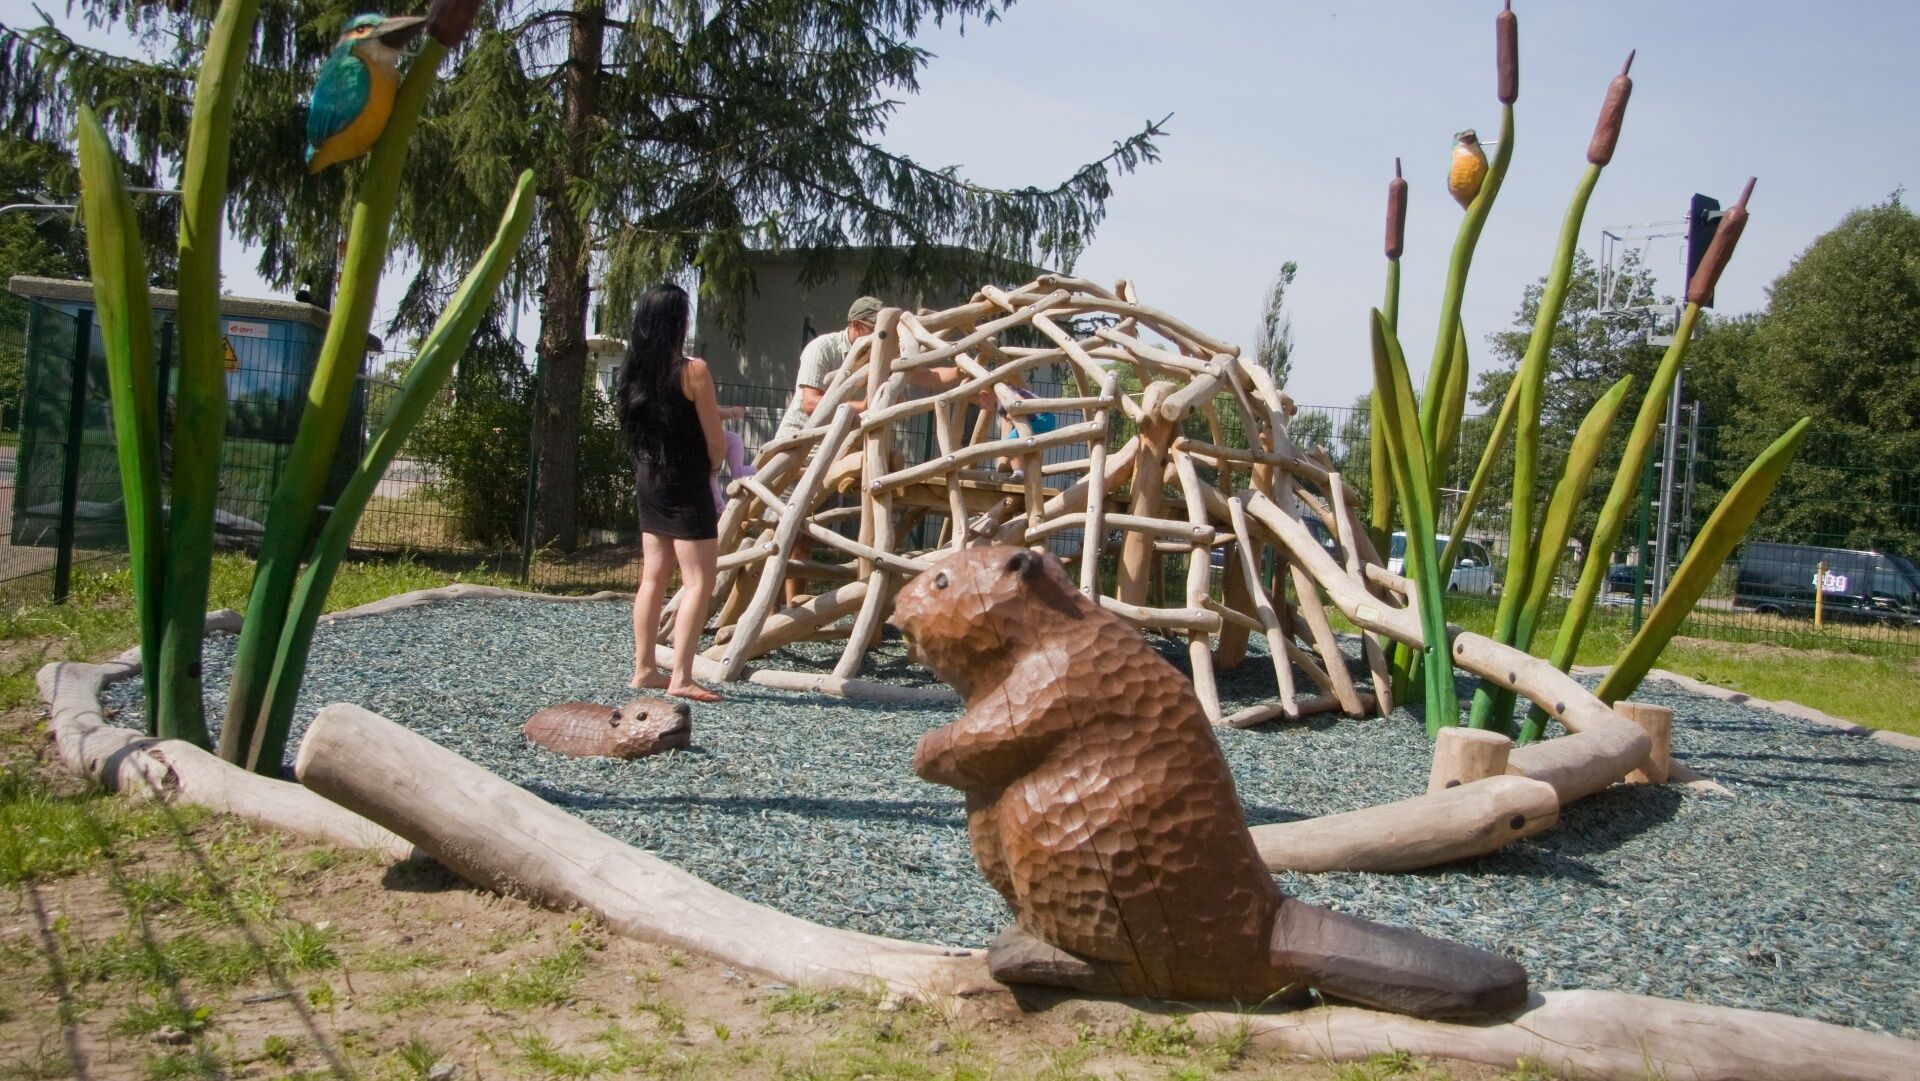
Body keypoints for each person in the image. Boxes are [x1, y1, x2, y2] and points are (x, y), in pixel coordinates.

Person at [776, 295, 972, 603]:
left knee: (805, 538)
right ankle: (771, 611)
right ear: (856, 326)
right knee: (780, 534)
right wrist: (865, 406)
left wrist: (964, 368)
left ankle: (792, 607)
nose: (884, 340)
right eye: (876, 331)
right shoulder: (822, 349)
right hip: (801, 449)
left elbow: (927, 375)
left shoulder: (882, 354)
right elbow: (811, 402)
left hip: (835, 454)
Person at [618, 283, 728, 702]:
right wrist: (713, 468)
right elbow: (716, 441)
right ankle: (681, 676)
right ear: (678, 322)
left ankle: (644, 668)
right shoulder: (693, 371)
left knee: (653, 577)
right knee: (700, 581)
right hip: (686, 479)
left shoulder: (634, 372)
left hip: (648, 475)